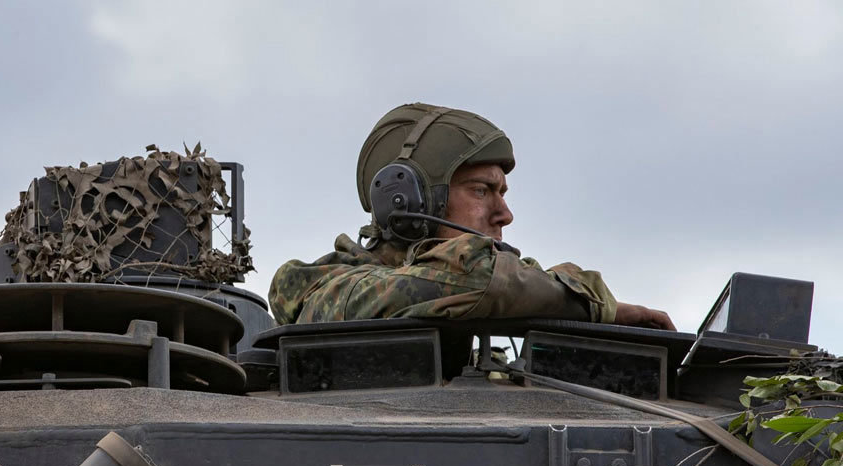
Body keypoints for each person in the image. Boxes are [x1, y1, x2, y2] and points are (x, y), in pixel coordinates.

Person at [268, 102, 674, 331]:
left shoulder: (463, 304)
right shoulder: (329, 287)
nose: (504, 214)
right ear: (410, 202)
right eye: (481, 191)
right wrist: (605, 308)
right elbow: (480, 275)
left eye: (502, 194)